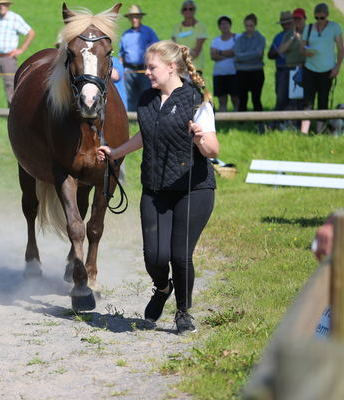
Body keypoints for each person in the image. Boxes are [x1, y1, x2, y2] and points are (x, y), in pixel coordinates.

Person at [97, 40, 219, 335]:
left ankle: (183, 312)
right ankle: (163, 288)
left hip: (193, 188)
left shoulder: (196, 100)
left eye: (152, 68)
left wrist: (201, 138)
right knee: (154, 256)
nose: (147, 73)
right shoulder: (147, 100)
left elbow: (213, 149)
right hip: (155, 188)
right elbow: (146, 134)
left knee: (180, 255)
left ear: (171, 67)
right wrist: (115, 152)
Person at [0, 0, 35, 108]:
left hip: (8, 58)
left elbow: (31, 33)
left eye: (4, 4)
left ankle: (12, 110)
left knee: (11, 84)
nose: (1, 6)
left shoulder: (15, 18)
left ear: (8, 5)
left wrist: (21, 49)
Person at [300, 3, 343, 134]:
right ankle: (304, 132)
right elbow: (302, 48)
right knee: (307, 102)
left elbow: (341, 49)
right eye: (317, 18)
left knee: (323, 101)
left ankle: (320, 131)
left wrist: (337, 67)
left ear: (327, 16)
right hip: (309, 69)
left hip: (327, 71)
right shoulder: (308, 28)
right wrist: (306, 52)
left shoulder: (335, 27)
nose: (319, 21)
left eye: (322, 18)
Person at [119, 5, 159, 111]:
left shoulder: (148, 32)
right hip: (129, 71)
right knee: (130, 96)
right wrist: (122, 70)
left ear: (140, 18)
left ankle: (147, 115)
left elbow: (156, 50)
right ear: (129, 19)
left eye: (136, 17)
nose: (134, 19)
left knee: (146, 94)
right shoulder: (125, 35)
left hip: (144, 70)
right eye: (132, 17)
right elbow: (121, 54)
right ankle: (132, 119)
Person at [234, 13, 266, 130]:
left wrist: (244, 56)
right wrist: (251, 55)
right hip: (242, 73)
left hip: (256, 72)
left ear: (255, 25)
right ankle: (241, 123)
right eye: (247, 25)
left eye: (251, 25)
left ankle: (260, 122)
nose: (249, 28)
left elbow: (259, 55)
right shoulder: (240, 38)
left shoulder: (260, 38)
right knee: (242, 98)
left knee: (256, 98)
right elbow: (237, 55)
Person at [269, 12, 296, 121]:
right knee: (281, 98)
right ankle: (279, 122)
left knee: (295, 99)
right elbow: (270, 55)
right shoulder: (278, 37)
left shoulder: (299, 35)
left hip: (296, 70)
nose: (286, 26)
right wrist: (278, 50)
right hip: (282, 69)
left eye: (288, 23)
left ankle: (294, 122)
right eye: (283, 24)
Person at [210, 15, 239, 112]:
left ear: (230, 25)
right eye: (222, 24)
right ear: (219, 27)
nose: (224, 26)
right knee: (222, 100)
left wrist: (220, 52)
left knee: (235, 98)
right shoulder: (216, 41)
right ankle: (224, 121)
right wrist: (228, 54)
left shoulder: (237, 38)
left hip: (234, 73)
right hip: (219, 74)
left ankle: (238, 120)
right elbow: (213, 56)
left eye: (226, 23)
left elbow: (235, 52)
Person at [172, 1, 208, 76]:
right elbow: (174, 48)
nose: (188, 11)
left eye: (191, 9)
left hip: (195, 68)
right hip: (180, 69)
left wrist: (182, 59)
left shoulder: (201, 27)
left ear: (194, 11)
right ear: (182, 11)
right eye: (185, 9)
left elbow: (196, 52)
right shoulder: (177, 27)